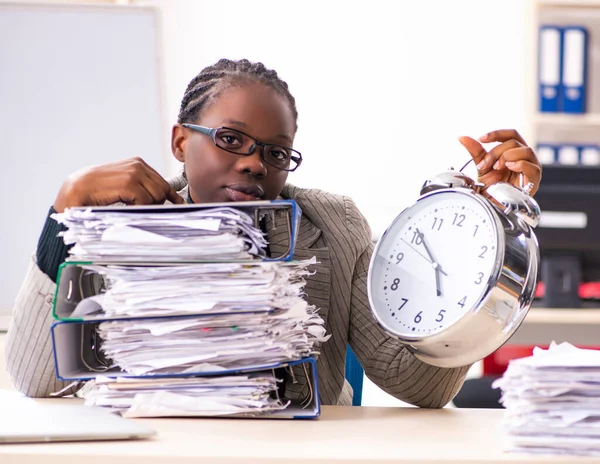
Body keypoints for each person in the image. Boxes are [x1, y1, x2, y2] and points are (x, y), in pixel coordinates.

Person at [5, 58, 542, 407]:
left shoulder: (333, 226)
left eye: (275, 152)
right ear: (178, 142)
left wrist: (480, 230)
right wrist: (64, 214)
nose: (253, 164)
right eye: (230, 139)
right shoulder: (121, 224)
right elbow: (37, 379)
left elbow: (418, 385)